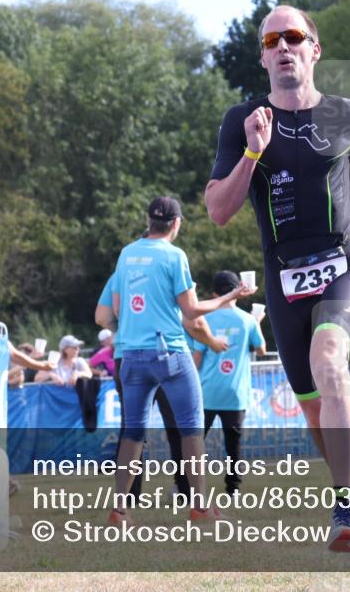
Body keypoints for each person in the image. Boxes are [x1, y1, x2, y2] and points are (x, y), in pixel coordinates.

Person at [205, 4, 350, 563]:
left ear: (314, 49)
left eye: (293, 37)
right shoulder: (242, 119)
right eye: (272, 41)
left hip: (343, 267)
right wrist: (252, 152)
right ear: (263, 58)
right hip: (283, 281)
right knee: (314, 408)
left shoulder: (348, 113)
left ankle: (344, 510)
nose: (283, 47)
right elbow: (218, 211)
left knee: (330, 361)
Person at [107, 196, 253, 525]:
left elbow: (116, 309)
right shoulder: (175, 256)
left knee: (133, 433)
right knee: (190, 430)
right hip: (170, 352)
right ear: (176, 223)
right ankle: (200, 506)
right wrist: (232, 296)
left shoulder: (126, 254)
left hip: (131, 355)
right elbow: (191, 310)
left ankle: (119, 510)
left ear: (149, 221)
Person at [186, 270, 267, 495]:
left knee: (195, 440)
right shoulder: (247, 320)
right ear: (237, 291)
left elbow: (197, 357)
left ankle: (186, 486)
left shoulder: (205, 319)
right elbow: (261, 350)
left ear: (214, 293)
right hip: (235, 392)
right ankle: (233, 489)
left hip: (207, 391)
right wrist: (257, 322)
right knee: (234, 444)